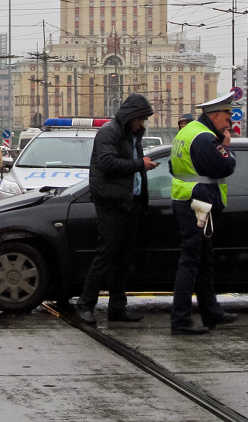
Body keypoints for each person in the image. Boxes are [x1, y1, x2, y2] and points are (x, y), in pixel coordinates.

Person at [75, 93, 158, 325]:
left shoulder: (132, 135)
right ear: (130, 116)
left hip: (129, 203)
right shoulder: (109, 132)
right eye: (140, 118)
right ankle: (85, 305)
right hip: (111, 203)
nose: (142, 123)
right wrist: (140, 164)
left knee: (122, 259)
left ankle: (118, 307)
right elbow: (107, 163)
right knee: (106, 255)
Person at [170, 93, 239, 335]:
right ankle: (180, 321)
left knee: (202, 259)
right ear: (215, 115)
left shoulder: (187, 132)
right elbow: (225, 166)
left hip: (188, 199)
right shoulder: (204, 137)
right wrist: (226, 148)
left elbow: (173, 166)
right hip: (196, 203)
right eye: (227, 114)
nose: (230, 119)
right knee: (190, 261)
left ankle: (211, 312)